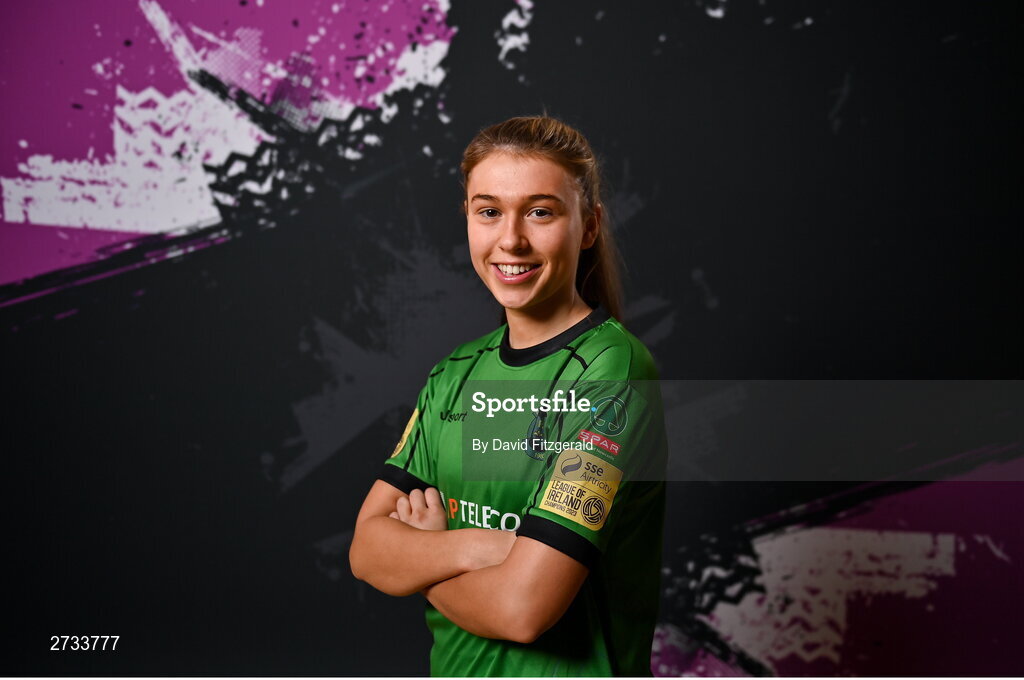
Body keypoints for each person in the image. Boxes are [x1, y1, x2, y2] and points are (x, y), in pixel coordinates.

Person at [349, 116, 667, 677]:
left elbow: (523, 610)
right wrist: (474, 546)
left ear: (589, 226)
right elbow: (367, 551)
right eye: (489, 211)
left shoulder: (611, 374)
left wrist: (421, 563)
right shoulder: (455, 373)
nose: (511, 239)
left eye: (541, 211)